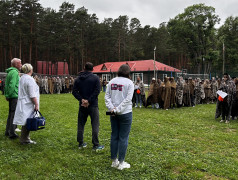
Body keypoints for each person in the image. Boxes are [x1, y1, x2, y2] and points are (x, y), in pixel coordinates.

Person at [105, 64, 134, 170]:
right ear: (128, 72)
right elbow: (128, 99)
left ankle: (114, 161)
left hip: (113, 113)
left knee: (114, 136)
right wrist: (117, 109)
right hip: (125, 113)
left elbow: (107, 96)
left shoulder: (111, 81)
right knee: (123, 137)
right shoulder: (130, 83)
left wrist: (112, 108)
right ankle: (121, 163)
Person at [72, 62, 104, 150]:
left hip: (82, 105)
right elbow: (97, 91)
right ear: (92, 69)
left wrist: (82, 100)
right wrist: (88, 101)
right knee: (95, 124)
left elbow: (74, 92)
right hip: (93, 105)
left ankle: (80, 142)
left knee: (81, 124)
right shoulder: (95, 78)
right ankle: (96, 144)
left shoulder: (78, 79)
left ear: (84, 68)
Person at [13, 64, 39, 144]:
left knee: (25, 121)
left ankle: (24, 138)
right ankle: (25, 139)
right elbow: (32, 94)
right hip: (28, 103)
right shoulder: (29, 79)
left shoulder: (22, 78)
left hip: (23, 101)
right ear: (31, 70)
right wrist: (36, 104)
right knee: (28, 121)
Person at [4, 58, 22, 139]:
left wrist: (7, 95)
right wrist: (10, 94)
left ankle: (8, 131)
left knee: (10, 114)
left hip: (11, 96)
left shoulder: (10, 72)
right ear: (16, 64)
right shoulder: (15, 72)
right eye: (20, 63)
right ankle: (12, 133)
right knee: (14, 114)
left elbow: (6, 85)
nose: (21, 65)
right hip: (14, 96)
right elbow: (12, 85)